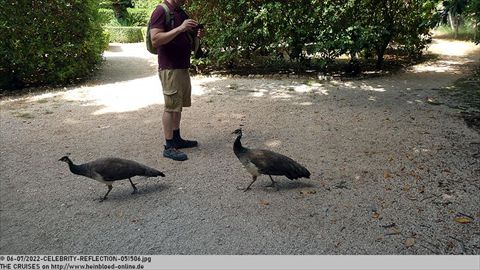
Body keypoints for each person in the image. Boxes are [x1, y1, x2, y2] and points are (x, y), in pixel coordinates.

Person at [149, 0, 204, 161]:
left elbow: (185, 36)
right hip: (170, 67)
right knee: (170, 106)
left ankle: (177, 138)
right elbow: (156, 39)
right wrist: (180, 28)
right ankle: (168, 146)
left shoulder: (180, 11)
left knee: (177, 105)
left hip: (182, 66)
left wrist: (197, 35)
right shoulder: (160, 11)